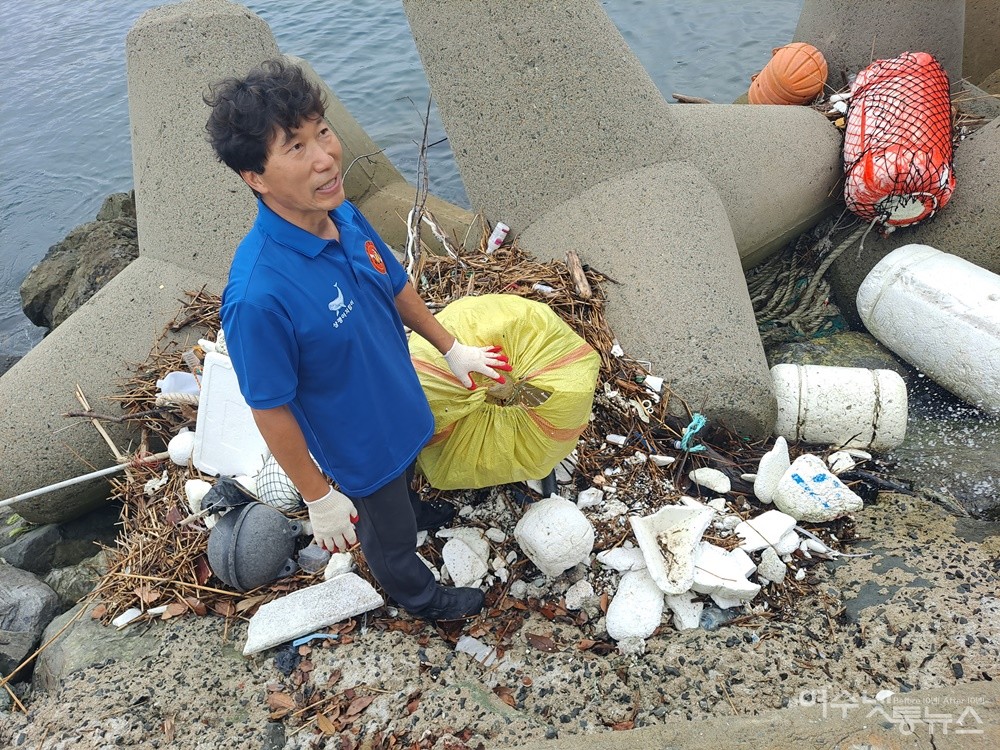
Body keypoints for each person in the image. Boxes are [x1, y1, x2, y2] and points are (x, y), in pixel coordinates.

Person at [204, 59, 511, 621]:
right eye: (296, 147)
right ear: (255, 176)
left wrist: (450, 348)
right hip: (358, 448)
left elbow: (394, 282)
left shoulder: (342, 214)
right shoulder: (258, 294)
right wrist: (319, 497)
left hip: (400, 399)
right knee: (386, 535)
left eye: (322, 131)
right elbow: (268, 407)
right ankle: (421, 597)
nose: (325, 157)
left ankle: (409, 510)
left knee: (406, 480)